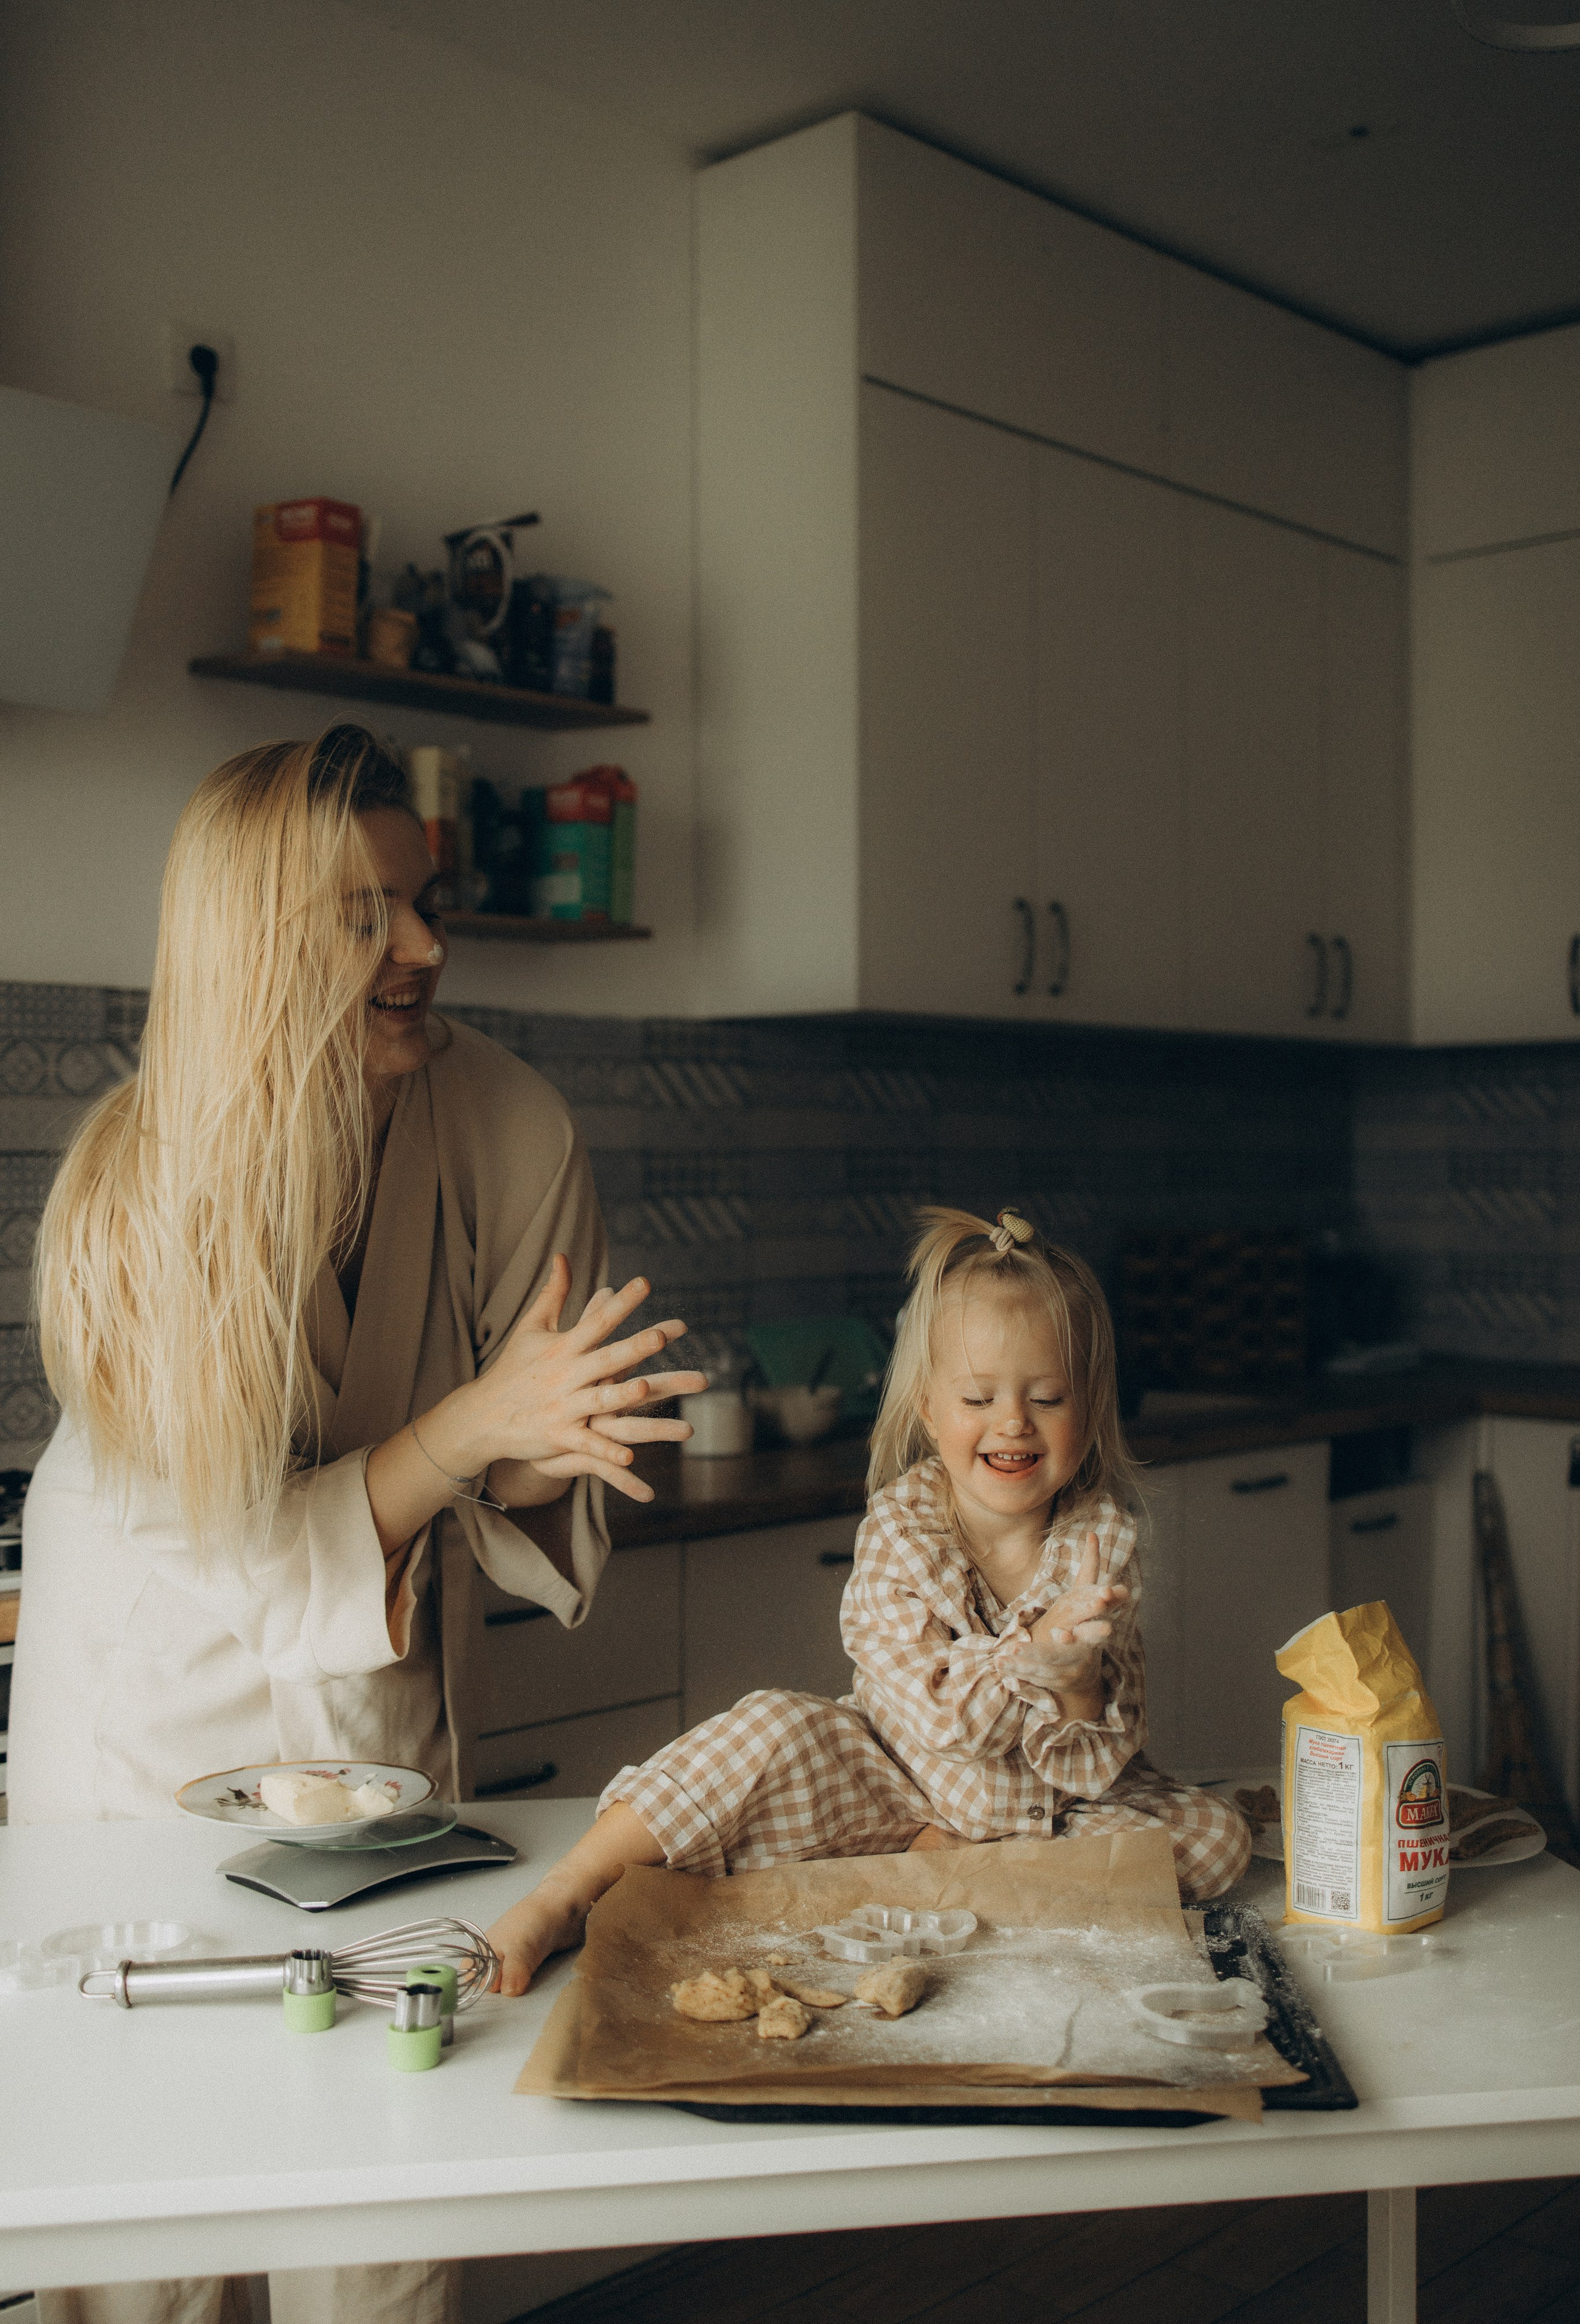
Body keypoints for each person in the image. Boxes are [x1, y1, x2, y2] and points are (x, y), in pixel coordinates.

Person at [11, 726, 703, 2324]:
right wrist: (476, 1424)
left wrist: (549, 1430)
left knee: (386, 2222)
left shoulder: (513, 1123)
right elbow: (237, 1547)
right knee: (146, 2254)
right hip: (136, 1750)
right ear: (257, 930)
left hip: (370, 1737)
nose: (426, 947)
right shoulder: (139, 1189)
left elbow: (547, 1479)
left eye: (427, 901)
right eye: (368, 912)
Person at [488, 1205, 1250, 1995]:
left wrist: (1075, 1682)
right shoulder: (900, 1529)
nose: (1013, 1422)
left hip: (1055, 1812)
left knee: (1214, 1838)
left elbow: (1102, 1754)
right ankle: (564, 1893)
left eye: (1049, 1398)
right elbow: (936, 1719)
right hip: (890, 1780)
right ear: (927, 1407)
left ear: (1090, 1410)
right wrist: (1029, 1657)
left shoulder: (1103, 1541)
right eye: (979, 1398)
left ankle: (945, 1874)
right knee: (768, 1729)